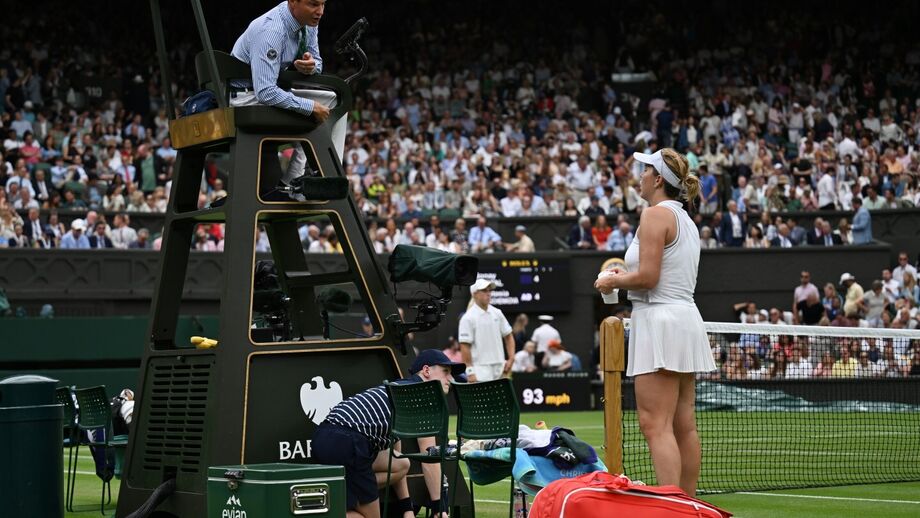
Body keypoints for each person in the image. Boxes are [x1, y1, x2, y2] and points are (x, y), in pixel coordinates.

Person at [594, 148, 715, 496]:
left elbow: (648, 277)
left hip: (660, 321)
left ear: (659, 179)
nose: (641, 175)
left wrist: (613, 280)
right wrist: (623, 276)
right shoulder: (685, 220)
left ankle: (672, 507)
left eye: (646, 170)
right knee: (682, 425)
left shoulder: (654, 216)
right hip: (683, 319)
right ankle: (688, 505)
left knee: (654, 424)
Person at [311, 349, 463, 518]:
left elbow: (394, 459)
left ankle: (348, 488)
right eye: (446, 372)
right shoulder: (422, 395)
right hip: (349, 441)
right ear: (426, 371)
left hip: (324, 437)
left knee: (402, 464)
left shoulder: (398, 389)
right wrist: (439, 508)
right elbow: (429, 457)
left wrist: (407, 508)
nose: (451, 379)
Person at [230, 0, 333, 196]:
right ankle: (294, 187)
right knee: (314, 113)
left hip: (268, 93)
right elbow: (266, 92)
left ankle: (298, 180)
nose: (320, 12)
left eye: (323, 4)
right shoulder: (272, 30)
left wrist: (310, 66)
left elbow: (317, 63)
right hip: (245, 100)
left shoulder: (309, 22)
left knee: (332, 99)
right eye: (313, 4)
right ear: (293, 2)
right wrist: (308, 106)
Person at [458, 279, 514, 382]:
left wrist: (511, 359)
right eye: (484, 291)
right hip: (479, 372)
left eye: (489, 291)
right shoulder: (468, 318)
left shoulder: (497, 313)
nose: (488, 294)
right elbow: (464, 346)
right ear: (474, 294)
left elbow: (509, 336)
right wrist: (470, 371)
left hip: (501, 370)